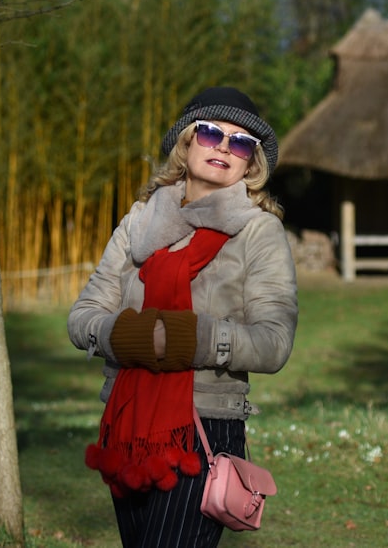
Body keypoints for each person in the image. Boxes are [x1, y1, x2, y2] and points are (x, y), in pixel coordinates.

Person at [68, 86, 298, 547]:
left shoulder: (259, 232)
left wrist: (191, 339)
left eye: (240, 143)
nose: (223, 148)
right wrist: (131, 337)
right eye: (212, 133)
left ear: (250, 163)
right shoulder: (139, 222)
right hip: (127, 426)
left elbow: (274, 342)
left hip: (204, 430)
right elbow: (83, 317)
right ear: (187, 141)